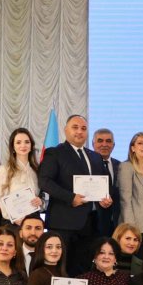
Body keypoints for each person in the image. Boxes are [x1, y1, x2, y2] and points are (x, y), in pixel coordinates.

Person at [39, 115, 117, 273]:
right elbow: (45, 182)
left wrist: (104, 200)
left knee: (84, 270)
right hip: (63, 223)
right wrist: (71, 198)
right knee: (60, 269)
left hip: (90, 225)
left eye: (83, 128)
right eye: (75, 127)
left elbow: (103, 185)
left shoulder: (94, 156)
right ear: (66, 130)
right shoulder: (55, 153)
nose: (80, 132)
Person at [0, 128, 45, 225]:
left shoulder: (37, 170)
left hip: (33, 221)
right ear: (13, 147)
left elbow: (42, 196)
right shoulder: (5, 169)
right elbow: (1, 197)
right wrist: (14, 219)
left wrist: (41, 202)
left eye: (27, 142)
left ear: (31, 146)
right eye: (18, 142)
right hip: (13, 223)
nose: (23, 145)